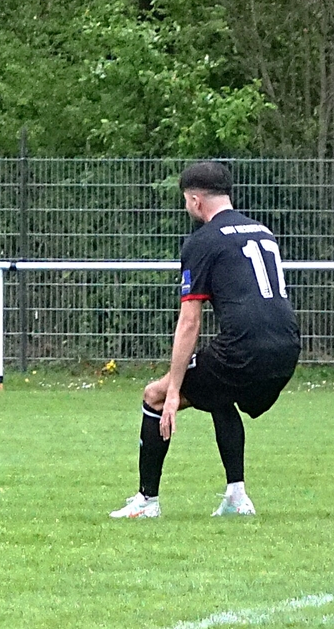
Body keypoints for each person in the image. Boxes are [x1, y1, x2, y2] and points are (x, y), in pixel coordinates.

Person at [110, 161, 300, 519]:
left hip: (244, 349)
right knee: (217, 393)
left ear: (196, 200)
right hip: (288, 346)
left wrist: (173, 391)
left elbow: (190, 322)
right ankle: (237, 497)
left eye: (186, 200)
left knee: (155, 395)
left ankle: (147, 501)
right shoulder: (262, 231)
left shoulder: (203, 241)